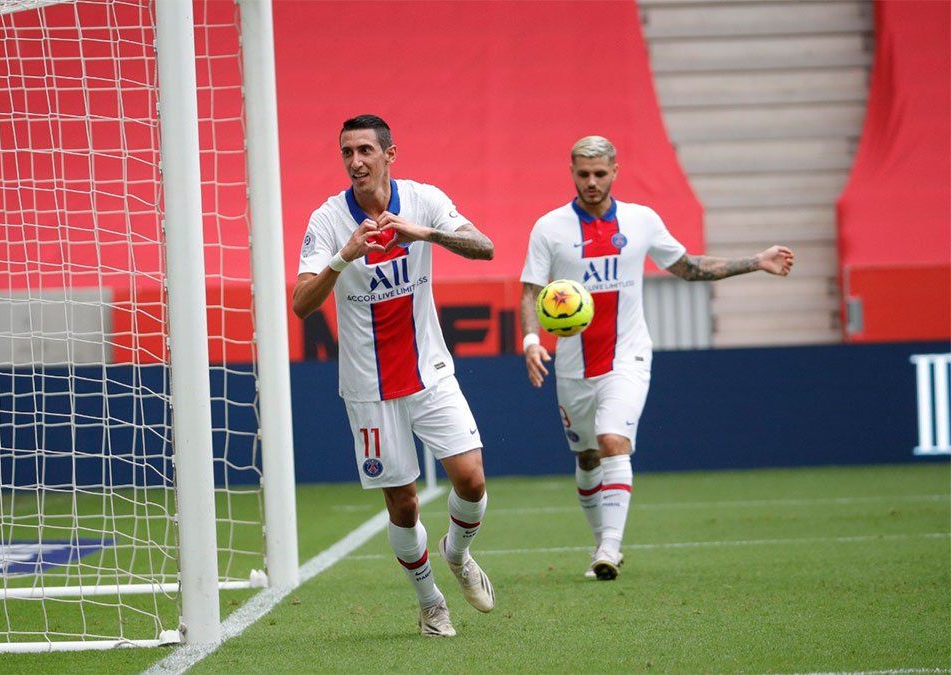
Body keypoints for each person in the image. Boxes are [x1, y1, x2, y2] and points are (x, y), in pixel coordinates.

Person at [519, 135, 794, 581]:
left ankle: (609, 549)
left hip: (629, 356)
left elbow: (687, 267)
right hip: (573, 365)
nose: (591, 182)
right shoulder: (549, 228)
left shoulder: (641, 221)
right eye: (583, 174)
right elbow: (531, 289)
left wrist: (755, 261)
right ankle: (600, 543)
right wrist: (532, 340)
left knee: (613, 441)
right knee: (587, 458)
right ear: (571, 172)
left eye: (600, 174)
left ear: (615, 171)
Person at [293, 115, 496, 636]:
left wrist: (422, 232)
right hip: (368, 387)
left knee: (471, 480)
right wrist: (342, 258)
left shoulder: (424, 200)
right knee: (403, 505)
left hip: (429, 371)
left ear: (390, 154)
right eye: (346, 153)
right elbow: (301, 305)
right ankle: (430, 602)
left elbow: (484, 247)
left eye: (365, 150)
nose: (355, 161)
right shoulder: (327, 220)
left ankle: (458, 552)